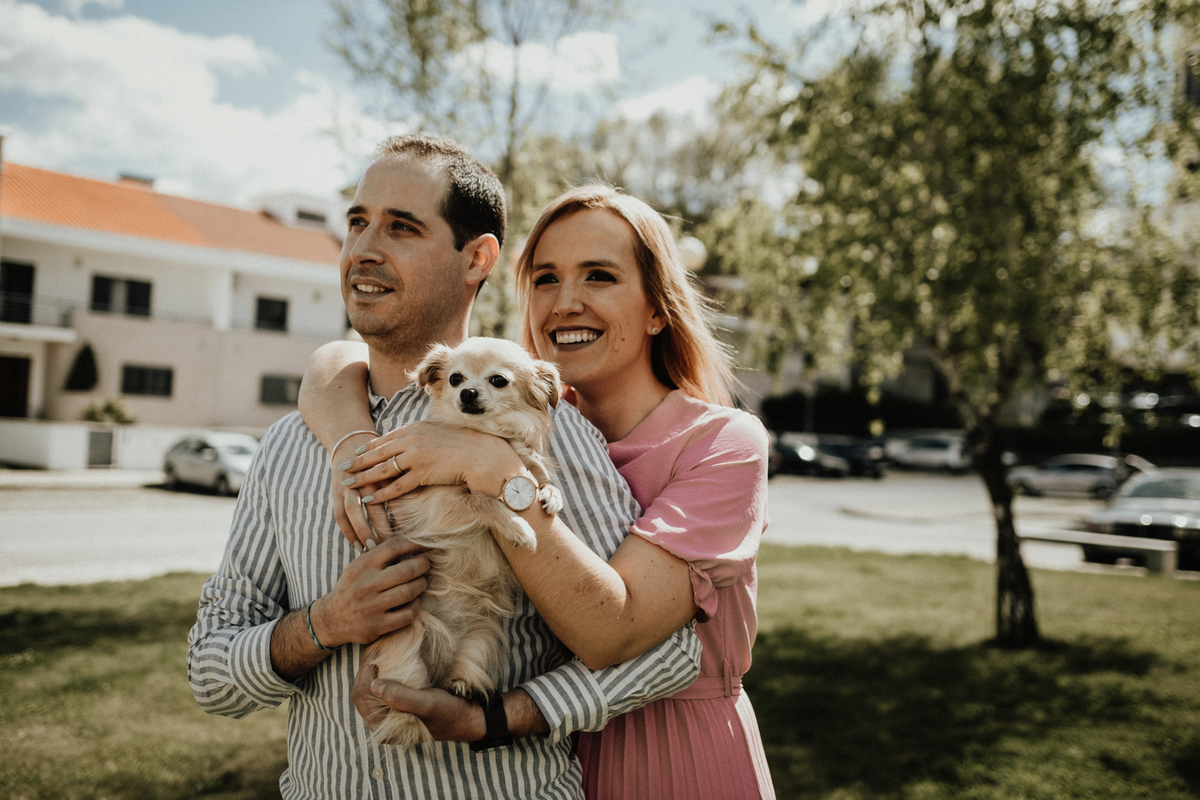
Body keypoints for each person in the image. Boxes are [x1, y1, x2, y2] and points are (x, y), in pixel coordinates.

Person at [187, 136, 702, 800]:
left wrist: (499, 718)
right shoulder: (289, 445)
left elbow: (670, 652)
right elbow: (211, 674)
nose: (364, 248)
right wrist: (323, 625)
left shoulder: (543, 430)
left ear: (477, 258)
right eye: (356, 222)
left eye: (401, 227)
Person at [303, 185, 776, 799]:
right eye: (546, 279)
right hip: (554, 768)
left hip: (682, 757)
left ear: (658, 310)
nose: (566, 302)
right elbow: (336, 359)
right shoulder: (530, 411)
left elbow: (612, 631)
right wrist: (350, 446)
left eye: (599, 276)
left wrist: (494, 469)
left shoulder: (723, 442)